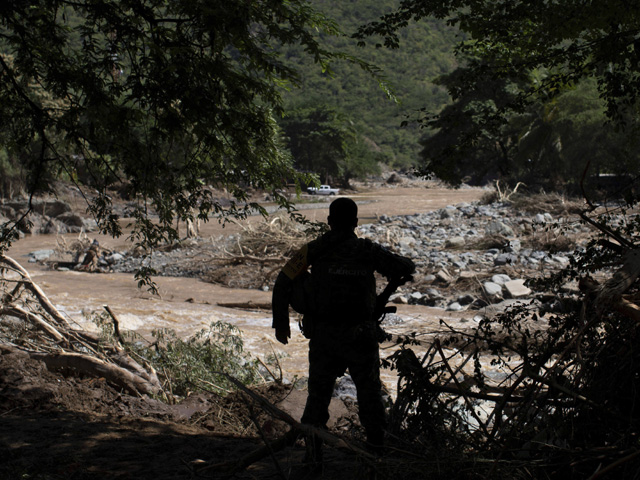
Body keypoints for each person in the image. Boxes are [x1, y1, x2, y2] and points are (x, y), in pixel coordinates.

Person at [272, 197, 415, 462]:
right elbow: (405, 267)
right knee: (370, 397)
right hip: (360, 337)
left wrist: (280, 324)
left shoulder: (314, 249)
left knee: (317, 399)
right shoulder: (367, 250)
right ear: (356, 223)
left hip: (324, 337)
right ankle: (377, 456)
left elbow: (282, 281)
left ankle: (312, 460)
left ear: (329, 222)